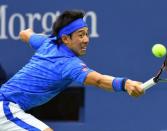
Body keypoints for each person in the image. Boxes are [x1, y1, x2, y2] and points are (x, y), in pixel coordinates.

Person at [0, 10, 144, 131]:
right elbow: (99, 80)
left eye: (87, 34)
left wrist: (27, 32)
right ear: (66, 39)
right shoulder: (69, 64)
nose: (86, 39)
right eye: (81, 35)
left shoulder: (47, 42)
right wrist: (126, 84)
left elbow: (25, 34)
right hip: (5, 106)